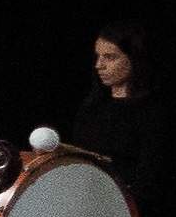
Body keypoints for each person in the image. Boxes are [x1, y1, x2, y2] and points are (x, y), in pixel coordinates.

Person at [65, 19, 166, 205]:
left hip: (127, 208)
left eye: (110, 57)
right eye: (98, 56)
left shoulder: (151, 113)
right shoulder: (91, 108)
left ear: (134, 59)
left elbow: (149, 179)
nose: (99, 65)